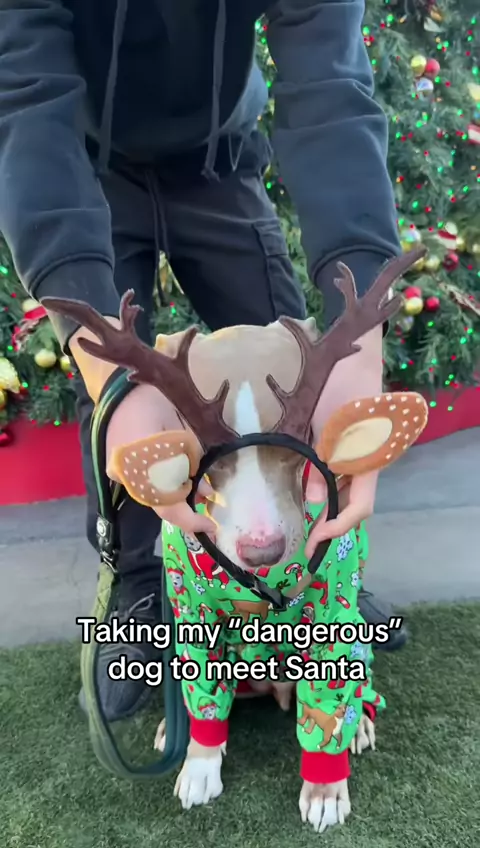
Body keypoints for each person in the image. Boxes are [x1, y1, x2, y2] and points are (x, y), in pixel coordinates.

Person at [0, 0, 407, 723]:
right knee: (120, 398)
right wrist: (114, 378)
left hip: (220, 165)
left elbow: (332, 88)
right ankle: (137, 589)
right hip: (86, 167)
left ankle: (318, 567)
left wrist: (359, 335)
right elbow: (24, 98)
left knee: (294, 369)